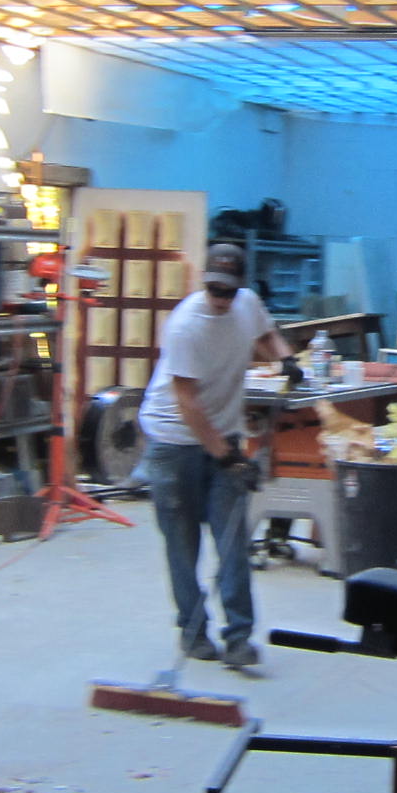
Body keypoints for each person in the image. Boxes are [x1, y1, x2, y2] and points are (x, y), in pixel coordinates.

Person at [137, 240, 289, 669]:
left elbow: (266, 334)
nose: (221, 298)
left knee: (233, 542)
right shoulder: (186, 326)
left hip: (222, 435)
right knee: (183, 545)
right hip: (173, 442)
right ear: (204, 282)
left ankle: (239, 638)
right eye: (214, 289)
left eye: (228, 291)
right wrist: (228, 457)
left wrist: (287, 360)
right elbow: (188, 404)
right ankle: (193, 631)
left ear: (241, 286)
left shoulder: (248, 304)